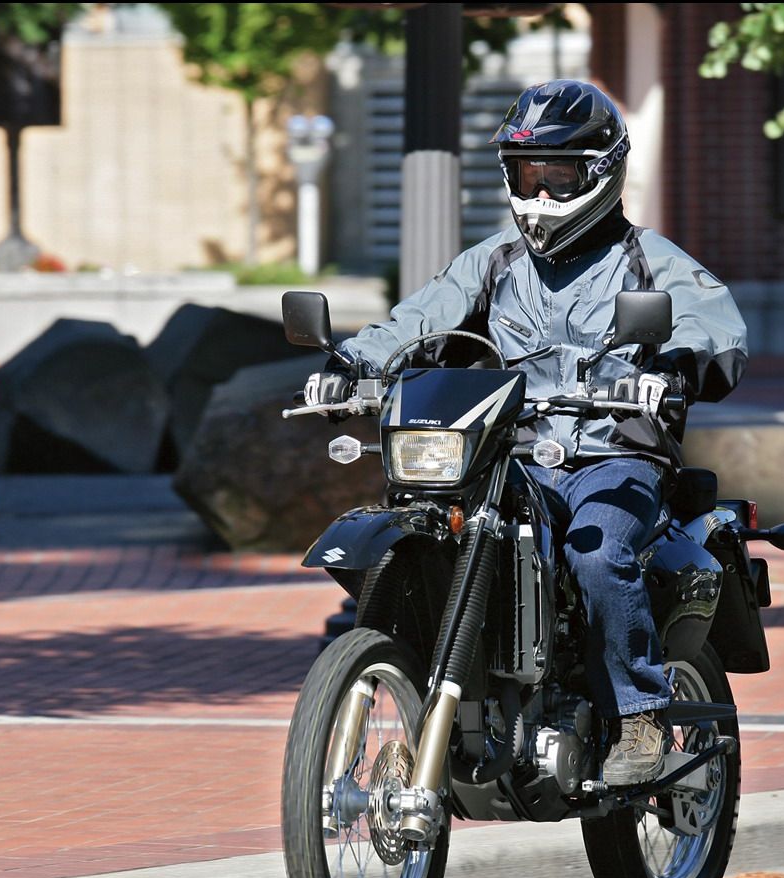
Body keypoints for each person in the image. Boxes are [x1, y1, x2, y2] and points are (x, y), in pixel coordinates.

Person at [303, 79, 748, 785]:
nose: (539, 195)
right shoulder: (493, 263)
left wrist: (674, 365)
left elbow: (711, 326)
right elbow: (418, 320)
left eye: (557, 174)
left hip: (612, 455)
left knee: (597, 554)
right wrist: (351, 363)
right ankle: (402, 678)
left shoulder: (649, 260)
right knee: (428, 532)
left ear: (600, 171)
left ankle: (640, 718)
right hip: (508, 457)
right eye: (526, 175)